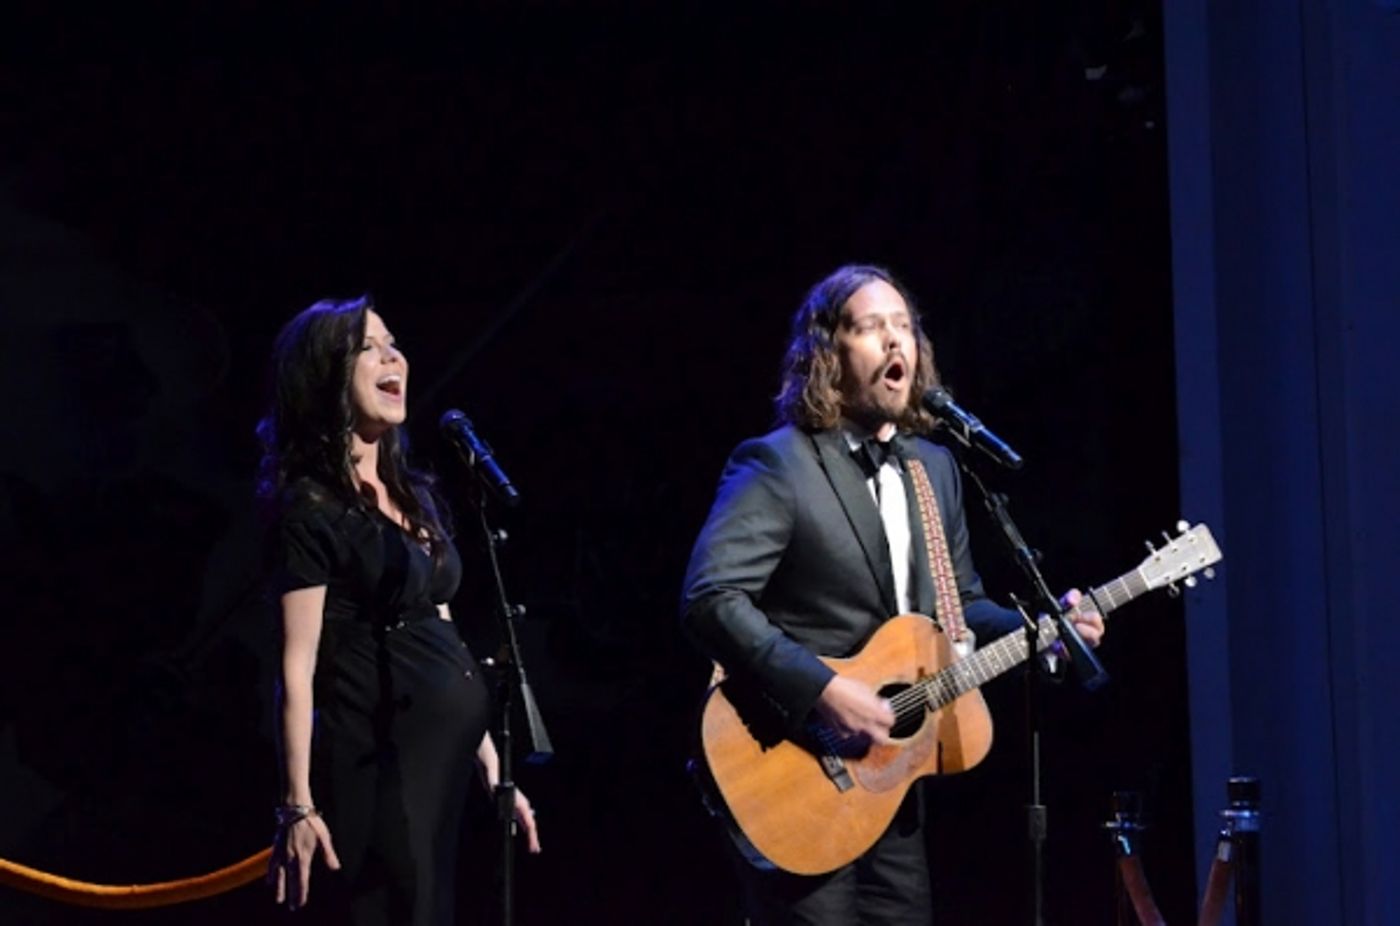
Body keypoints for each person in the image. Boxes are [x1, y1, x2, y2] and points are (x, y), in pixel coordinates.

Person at [680, 265, 1104, 925]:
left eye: (903, 327)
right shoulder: (779, 463)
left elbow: (957, 609)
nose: (894, 342)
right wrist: (823, 687)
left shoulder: (932, 468)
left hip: (892, 793)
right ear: (826, 353)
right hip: (795, 771)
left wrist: (1046, 626)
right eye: (871, 328)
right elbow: (711, 597)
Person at [256, 295, 541, 925]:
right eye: (369, 347)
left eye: (394, 342)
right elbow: (295, 667)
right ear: (326, 374)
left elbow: (438, 623)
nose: (393, 357)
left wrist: (492, 765)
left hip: (441, 771)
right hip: (375, 759)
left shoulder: (413, 493)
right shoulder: (311, 506)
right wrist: (297, 806)